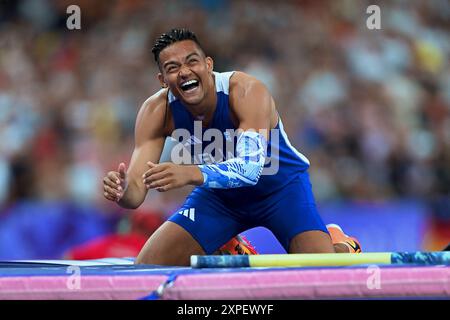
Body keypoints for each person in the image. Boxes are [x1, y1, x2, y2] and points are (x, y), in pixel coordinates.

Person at [102, 28, 361, 266]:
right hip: (219, 199)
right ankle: (233, 248)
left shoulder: (246, 90)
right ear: (162, 79)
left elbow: (250, 169)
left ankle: (340, 244)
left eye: (192, 61)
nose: (184, 72)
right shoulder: (156, 111)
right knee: (148, 267)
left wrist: (191, 173)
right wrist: (123, 192)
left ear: (208, 65)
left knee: (323, 271)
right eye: (173, 67)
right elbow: (135, 194)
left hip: (280, 190)